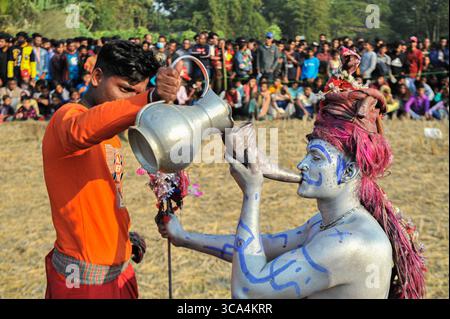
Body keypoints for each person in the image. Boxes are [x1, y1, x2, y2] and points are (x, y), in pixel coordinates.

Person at [157, 80, 426, 300]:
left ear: (348, 172)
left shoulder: (349, 242)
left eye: (316, 158)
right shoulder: (328, 223)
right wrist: (185, 237)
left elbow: (247, 292)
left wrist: (252, 195)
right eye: (308, 155)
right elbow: (267, 246)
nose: (302, 164)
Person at [42, 40, 181, 299]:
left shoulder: (113, 137)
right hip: (82, 284)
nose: (131, 100)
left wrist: (124, 238)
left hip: (121, 273)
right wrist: (148, 98)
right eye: (125, 90)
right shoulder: (67, 118)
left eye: (137, 92)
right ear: (96, 77)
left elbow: (100, 203)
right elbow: (81, 130)